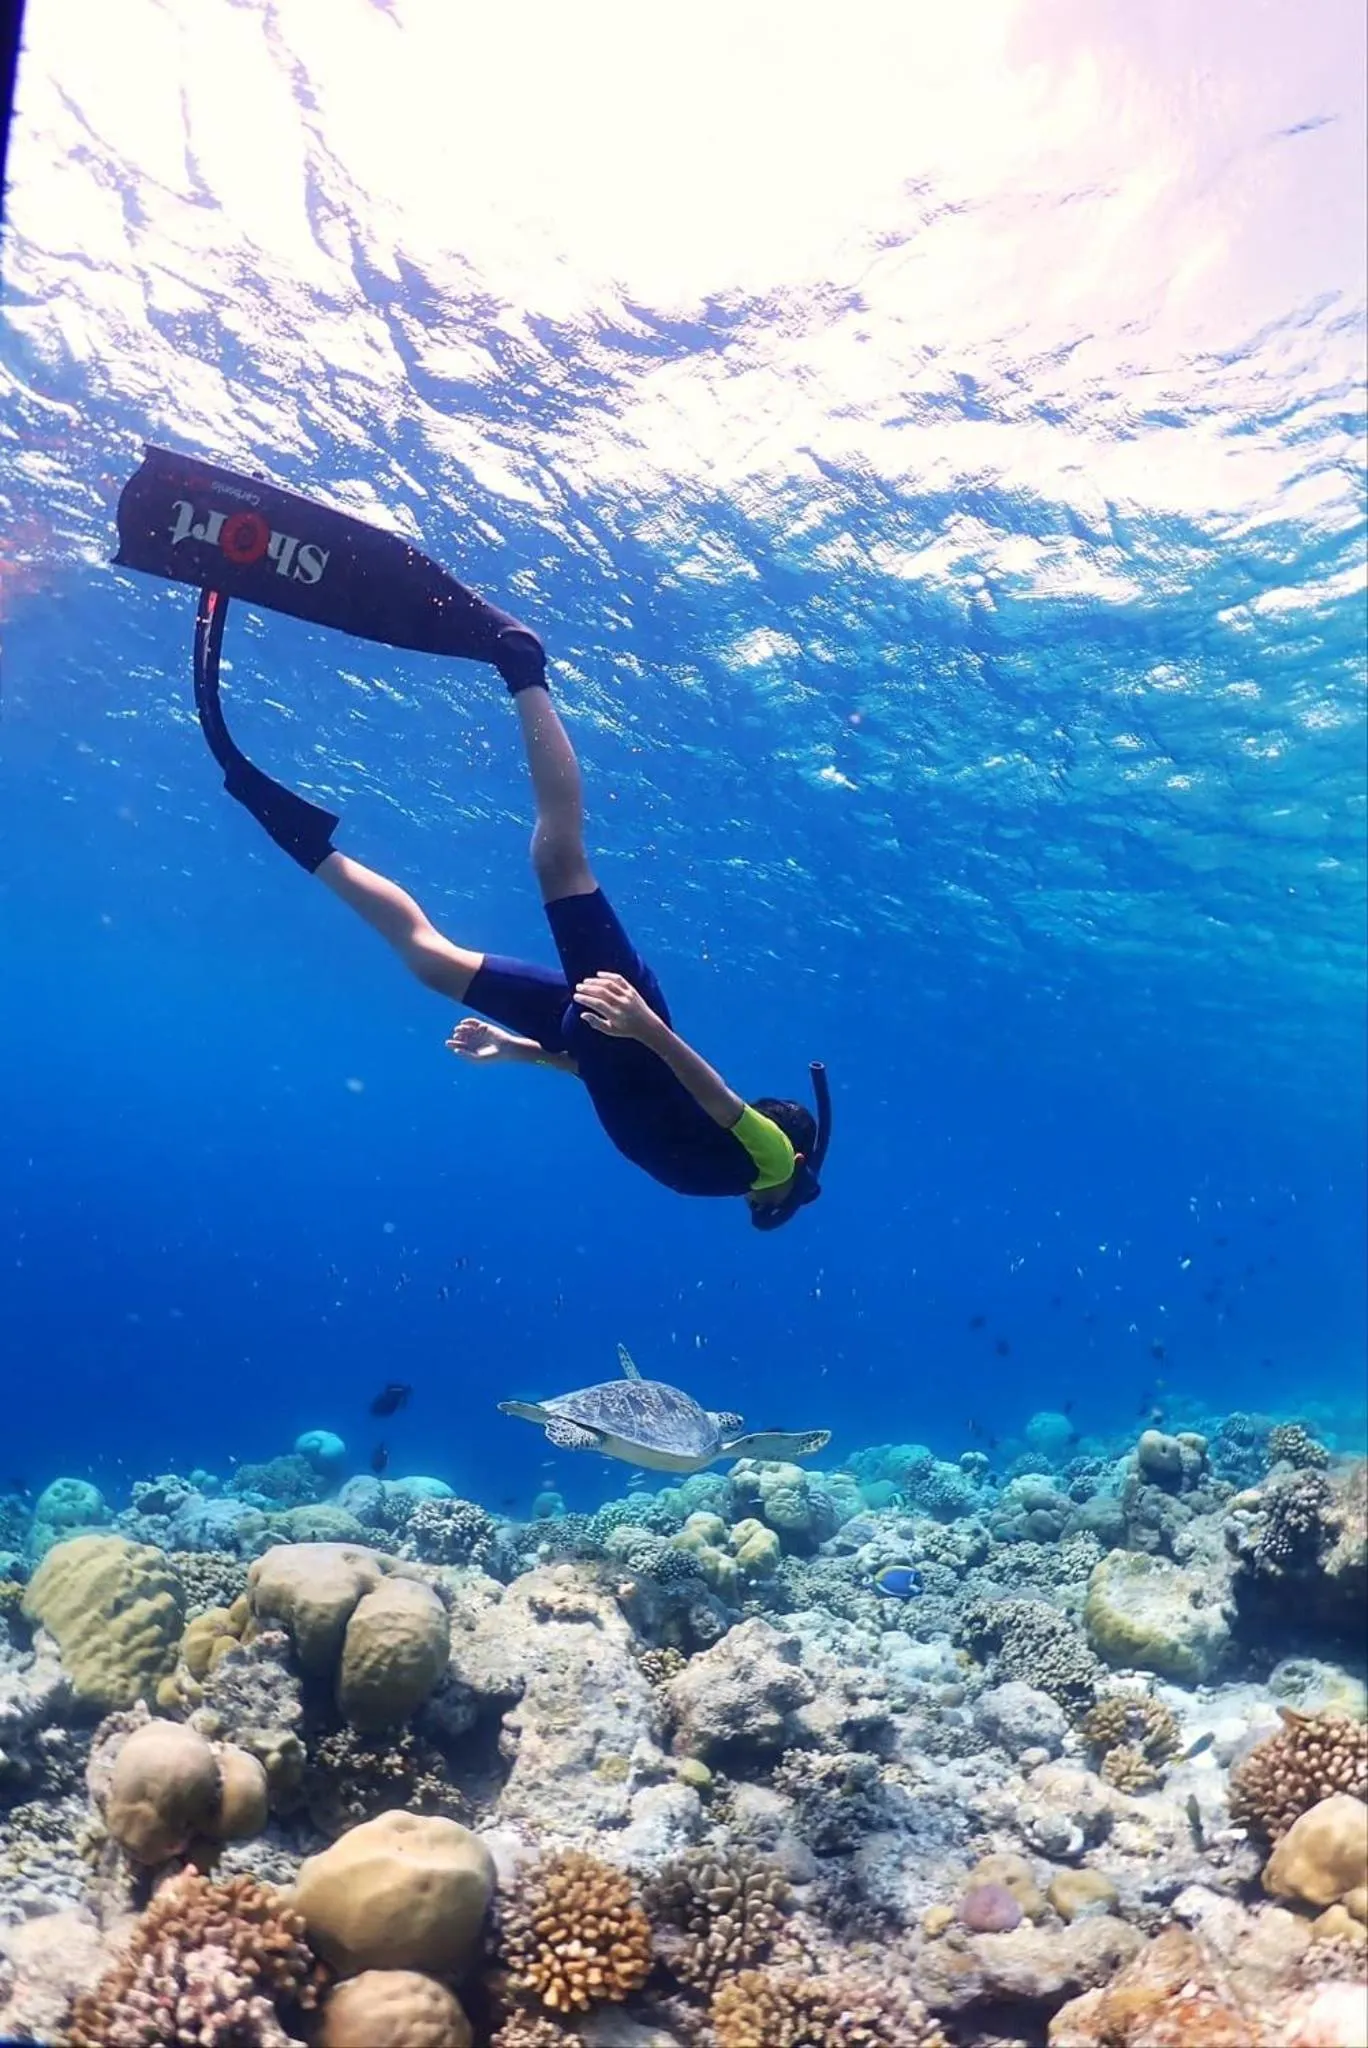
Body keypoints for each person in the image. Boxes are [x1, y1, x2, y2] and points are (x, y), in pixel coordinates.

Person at [193, 588, 826, 1225]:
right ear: (796, 1165)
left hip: (598, 1042)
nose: (765, 1207)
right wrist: (643, 1025)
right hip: (625, 1016)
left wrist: (512, 1048)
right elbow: (715, 1095)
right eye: (787, 1202)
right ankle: (523, 665)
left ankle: (304, 843)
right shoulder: (772, 1162)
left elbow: (607, 1084)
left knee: (431, 963)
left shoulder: (718, 1164)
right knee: (558, 859)